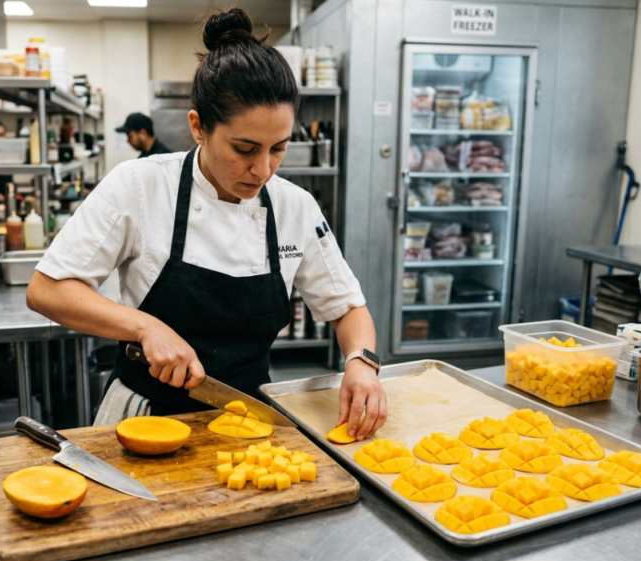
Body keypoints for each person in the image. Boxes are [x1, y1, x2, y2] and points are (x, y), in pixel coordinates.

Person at [28, 8, 387, 440]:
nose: (263, 169)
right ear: (198, 127)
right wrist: (145, 327)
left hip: (251, 419)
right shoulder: (140, 185)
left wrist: (361, 363)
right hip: (145, 416)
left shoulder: (296, 207)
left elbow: (347, 306)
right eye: (245, 148)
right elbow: (47, 290)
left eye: (278, 148)